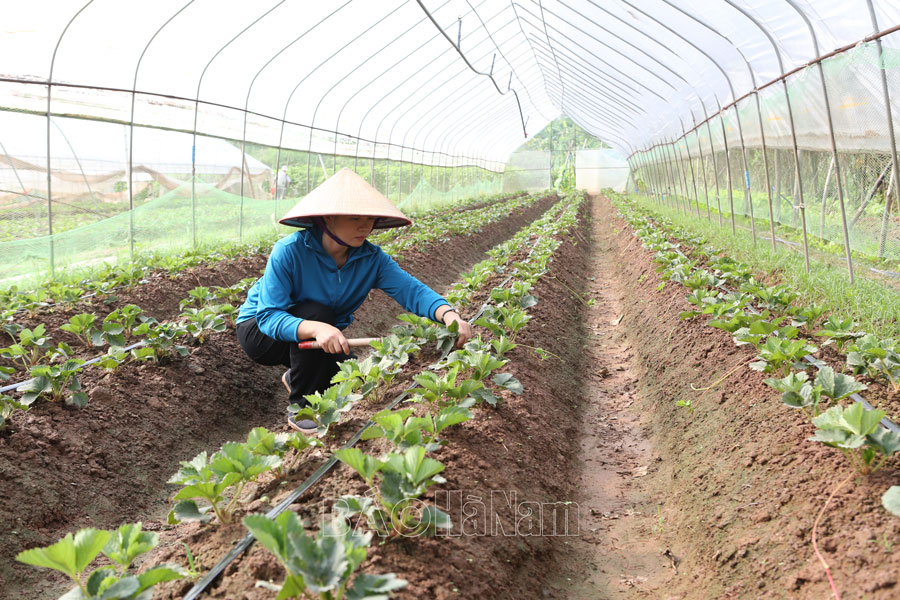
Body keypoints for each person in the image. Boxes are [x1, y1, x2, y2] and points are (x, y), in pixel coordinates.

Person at [236, 168, 473, 434]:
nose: (365, 226)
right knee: (316, 313)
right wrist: (317, 328)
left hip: (317, 331)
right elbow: (268, 316)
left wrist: (449, 315)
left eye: (370, 218)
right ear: (328, 217)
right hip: (260, 332)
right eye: (355, 218)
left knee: (352, 376)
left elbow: (412, 291)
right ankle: (303, 408)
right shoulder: (290, 252)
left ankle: (299, 375)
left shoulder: (371, 259)